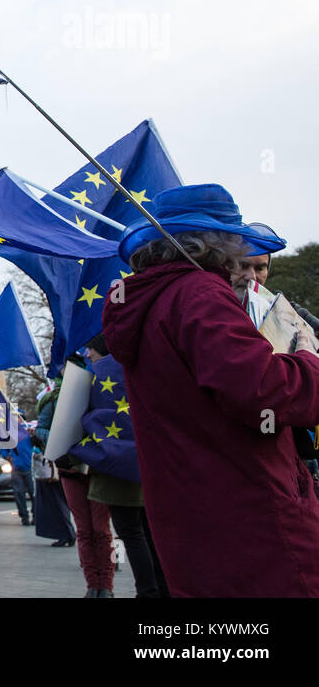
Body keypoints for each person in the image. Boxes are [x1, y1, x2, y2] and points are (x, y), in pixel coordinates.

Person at [103, 183, 319, 597]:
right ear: (218, 244)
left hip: (196, 518)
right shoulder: (200, 295)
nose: (243, 261)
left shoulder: (154, 301)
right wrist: (307, 358)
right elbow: (263, 393)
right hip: (252, 518)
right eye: (237, 243)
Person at [75, 334, 167, 598]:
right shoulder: (140, 364)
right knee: (148, 532)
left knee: (131, 532)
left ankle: (147, 591)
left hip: (116, 462)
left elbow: (83, 416)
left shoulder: (100, 373)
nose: (87, 354)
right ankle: (162, 589)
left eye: (90, 348)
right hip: (148, 461)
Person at [46, 352, 115, 597]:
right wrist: (54, 443)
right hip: (69, 469)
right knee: (84, 530)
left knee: (100, 529)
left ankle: (106, 585)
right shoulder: (53, 398)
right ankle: (92, 584)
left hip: (94, 468)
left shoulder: (99, 388)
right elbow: (43, 429)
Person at [32, 381, 76, 548]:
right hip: (54, 459)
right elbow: (42, 429)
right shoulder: (51, 401)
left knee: (59, 499)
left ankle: (67, 532)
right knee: (58, 498)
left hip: (64, 458)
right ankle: (67, 532)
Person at [8, 425, 35, 526]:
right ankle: (24, 517)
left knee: (33, 494)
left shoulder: (29, 434)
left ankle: (35, 515)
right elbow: (3, 448)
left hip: (30, 468)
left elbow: (38, 444)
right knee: (19, 494)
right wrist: (7, 457)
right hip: (16, 469)